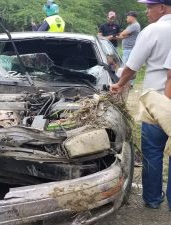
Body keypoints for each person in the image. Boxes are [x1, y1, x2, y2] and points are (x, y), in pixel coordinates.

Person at [110, 0, 171, 210]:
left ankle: (153, 199)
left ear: (162, 7)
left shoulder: (152, 30)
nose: (146, 12)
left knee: (153, 151)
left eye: (150, 7)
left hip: (155, 100)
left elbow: (132, 67)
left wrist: (118, 84)